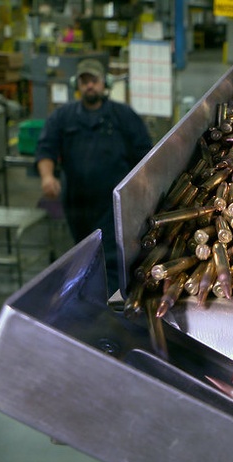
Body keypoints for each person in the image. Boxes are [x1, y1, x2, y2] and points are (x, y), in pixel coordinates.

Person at [36, 58, 153, 292]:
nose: (90, 86)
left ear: (105, 83)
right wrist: (47, 177)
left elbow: (145, 154)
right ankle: (88, 301)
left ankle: (110, 307)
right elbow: (46, 148)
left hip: (112, 203)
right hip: (76, 203)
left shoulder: (124, 116)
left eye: (94, 81)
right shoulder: (63, 117)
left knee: (110, 256)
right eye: (84, 81)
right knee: (82, 254)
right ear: (76, 85)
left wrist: (141, 189)